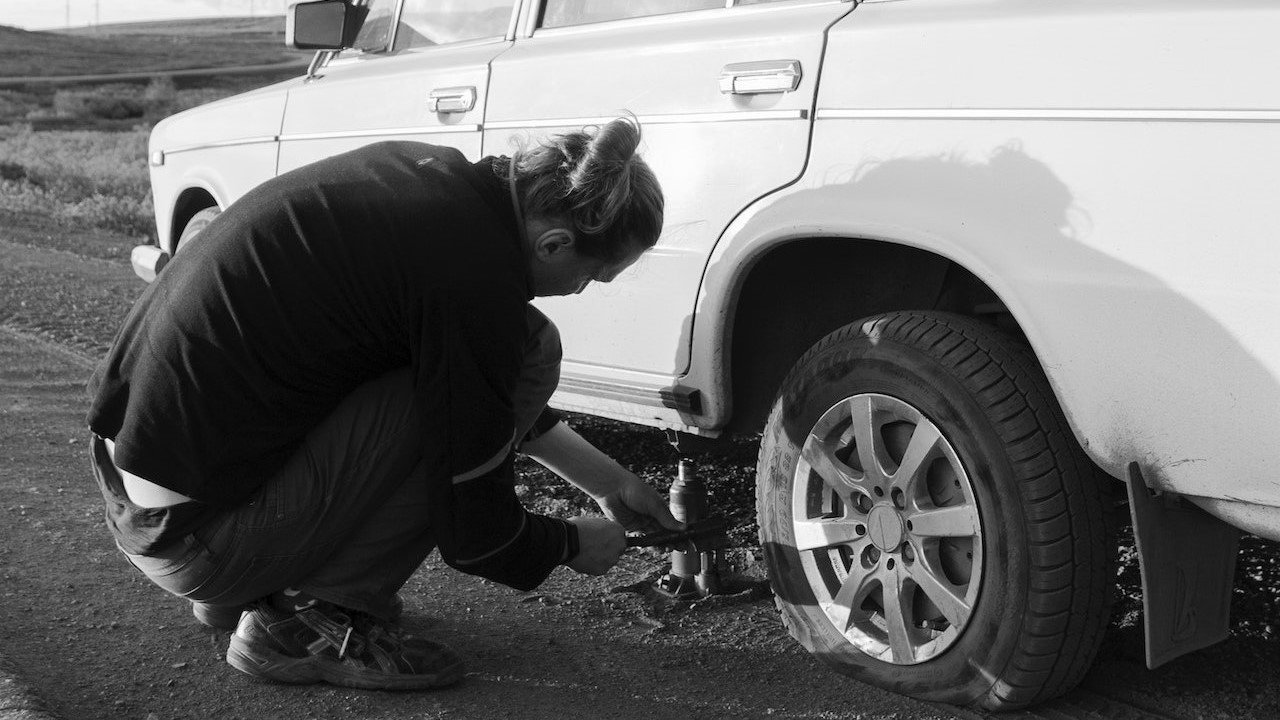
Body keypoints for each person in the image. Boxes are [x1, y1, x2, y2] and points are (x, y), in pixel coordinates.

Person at [86, 117, 678, 691]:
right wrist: (569, 544)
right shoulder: (472, 276)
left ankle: (264, 584)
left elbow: (475, 389)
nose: (579, 291)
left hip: (148, 498)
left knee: (491, 361)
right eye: (591, 277)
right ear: (555, 243)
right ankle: (307, 621)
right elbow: (477, 532)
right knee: (523, 353)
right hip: (200, 545)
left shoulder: (432, 185)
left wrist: (606, 481)